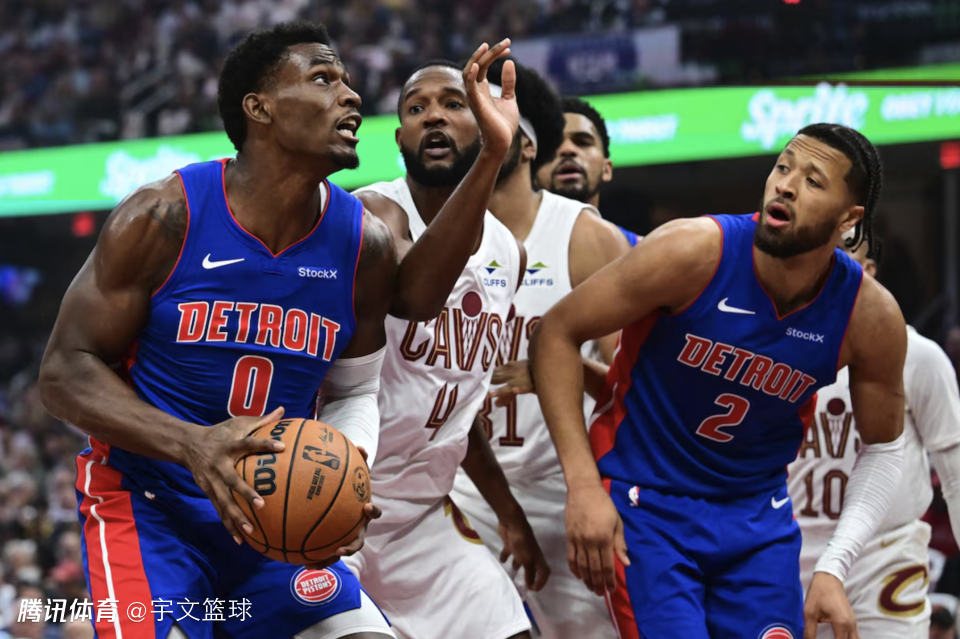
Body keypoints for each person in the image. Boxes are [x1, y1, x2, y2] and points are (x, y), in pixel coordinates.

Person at [37, 22, 513, 639]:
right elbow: (63, 371)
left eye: (347, 80)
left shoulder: (361, 243)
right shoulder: (165, 214)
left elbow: (355, 389)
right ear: (259, 108)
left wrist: (345, 469)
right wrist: (192, 444)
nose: (351, 95)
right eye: (323, 78)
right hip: (151, 505)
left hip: (273, 515)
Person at [530, 122, 909, 639]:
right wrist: (582, 487)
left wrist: (834, 567)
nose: (786, 185)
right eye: (782, 167)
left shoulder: (869, 316)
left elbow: (885, 447)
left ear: (849, 218)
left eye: (813, 181)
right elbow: (555, 332)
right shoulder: (692, 250)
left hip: (758, 519)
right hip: (649, 503)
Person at [341, 56, 545, 639]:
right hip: (336, 500)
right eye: (417, 108)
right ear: (399, 138)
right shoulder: (371, 212)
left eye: (454, 104)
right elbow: (415, 294)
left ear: (483, 123)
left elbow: (456, 404)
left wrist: (510, 514)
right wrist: (491, 156)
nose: (434, 116)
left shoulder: (509, 253)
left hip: (421, 516)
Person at [450, 59, 630, 639]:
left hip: (562, 489)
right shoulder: (437, 234)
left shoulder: (584, 235)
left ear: (526, 145)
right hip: (464, 488)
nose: (474, 131)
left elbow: (639, 384)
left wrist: (564, 369)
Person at [789, 236, 960, 639]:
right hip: (785, 559)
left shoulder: (919, 355)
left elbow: (955, 479)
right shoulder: (772, 348)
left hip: (883, 562)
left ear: (868, 272)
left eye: (842, 257)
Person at [536, 96, 639, 248]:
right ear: (532, 170)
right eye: (553, 143)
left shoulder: (640, 251)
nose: (567, 150)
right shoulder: (506, 252)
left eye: (582, 142)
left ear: (606, 169)